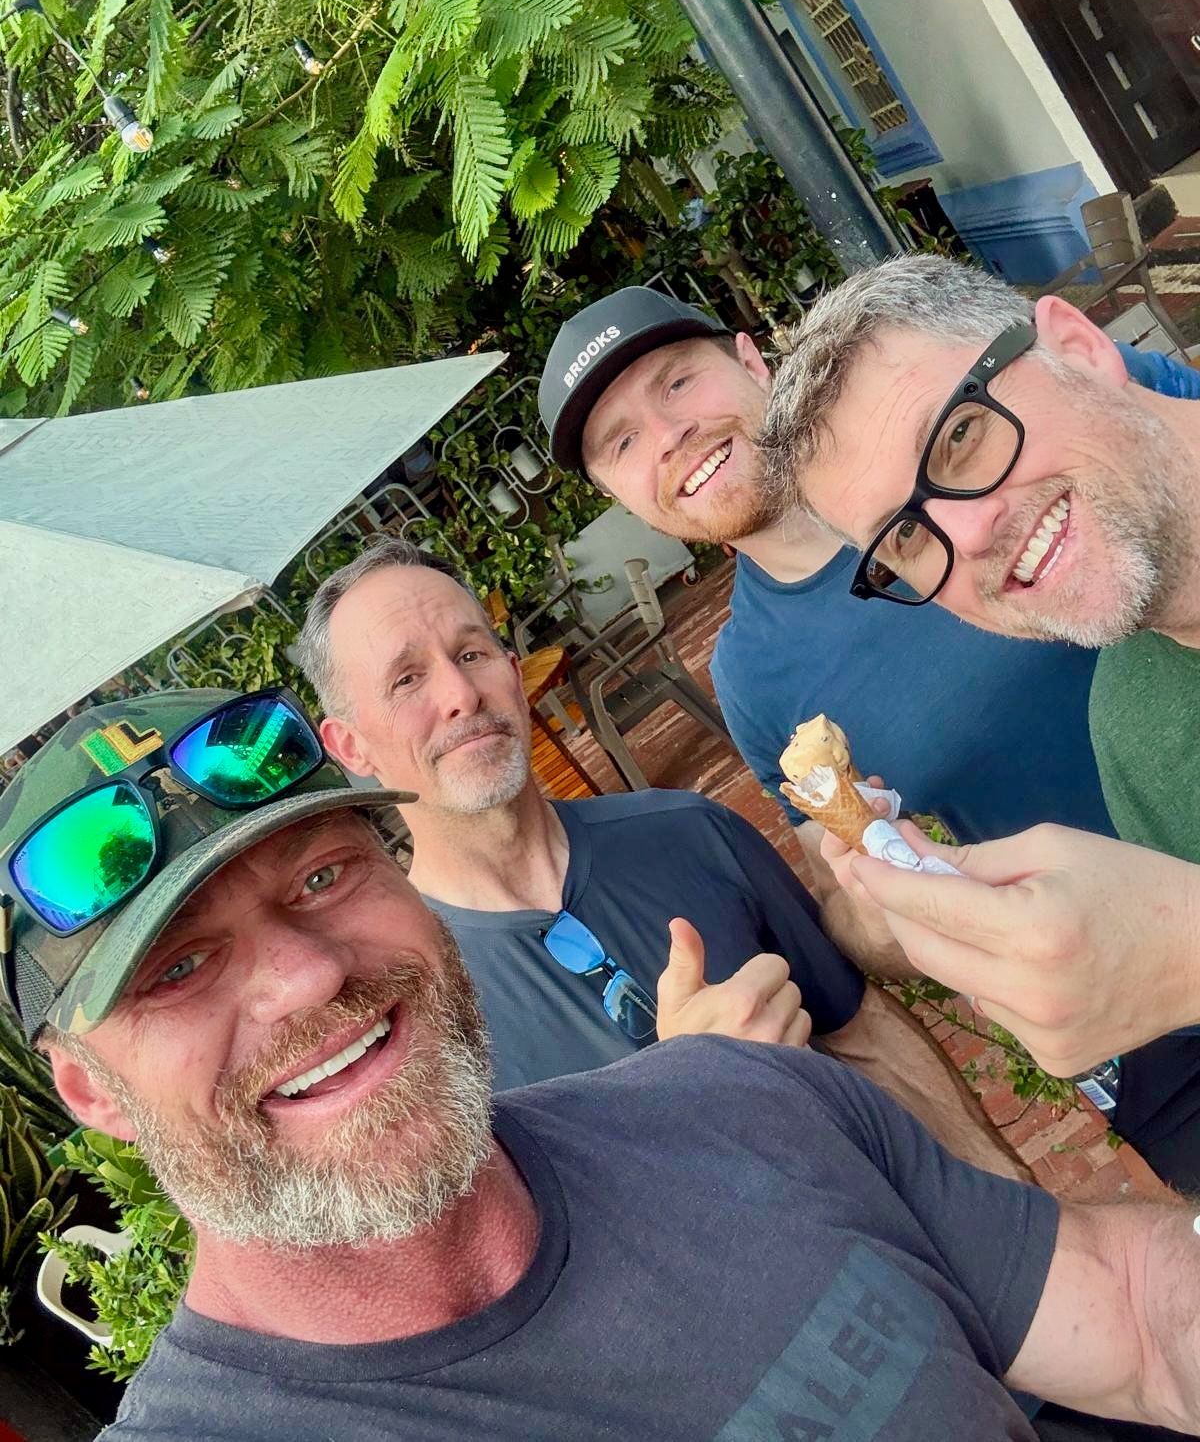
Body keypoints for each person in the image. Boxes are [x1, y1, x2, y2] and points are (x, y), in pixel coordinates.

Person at [11, 692, 1200, 1441]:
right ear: (90, 1093)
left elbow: (1147, 1326)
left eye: (323, 879)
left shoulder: (741, 1103)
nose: (306, 979)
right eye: (180, 969)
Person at [295, 537, 1022, 1178]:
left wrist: (1011, 1193)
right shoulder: (405, 1020)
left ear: (512, 672)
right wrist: (694, 1094)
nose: (460, 693)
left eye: (472, 653)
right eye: (407, 680)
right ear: (350, 744)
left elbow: (864, 1034)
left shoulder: (693, 831)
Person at [535, 284, 1198, 979]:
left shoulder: (999, 394)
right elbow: (849, 913)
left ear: (751, 361)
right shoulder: (752, 675)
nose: (669, 436)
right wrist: (889, 892)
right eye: (625, 441)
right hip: (1116, 982)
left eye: (676, 383)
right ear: (622, 499)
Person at [751, 254, 1200, 1134]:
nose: (973, 526)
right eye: (907, 536)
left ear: (1076, 344)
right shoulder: (1136, 726)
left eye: (960, 434)